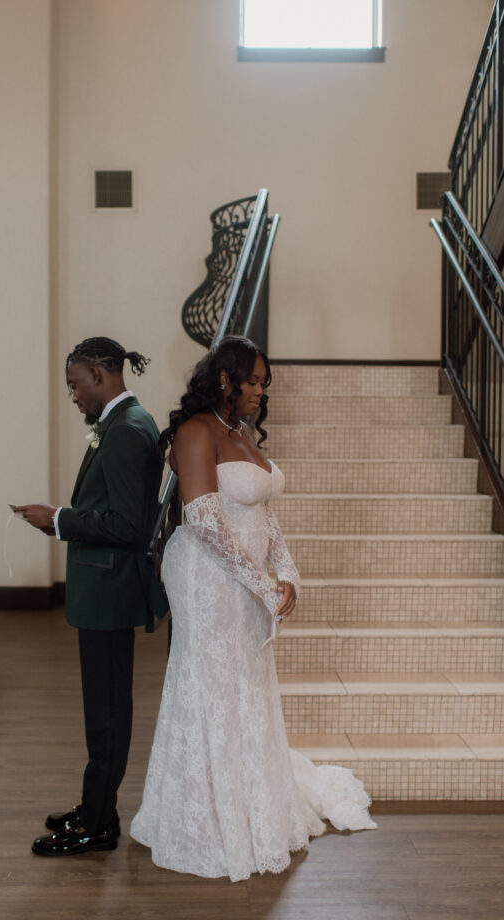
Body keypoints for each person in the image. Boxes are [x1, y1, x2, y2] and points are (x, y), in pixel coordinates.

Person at [130, 335, 376, 881]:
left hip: (246, 576)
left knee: (248, 686)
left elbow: (265, 516)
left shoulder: (240, 434)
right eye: (255, 380)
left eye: (264, 382)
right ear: (225, 379)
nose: (261, 392)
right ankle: (208, 819)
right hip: (207, 578)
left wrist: (287, 573)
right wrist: (264, 586)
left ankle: (250, 804)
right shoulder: (195, 433)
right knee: (214, 688)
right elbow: (206, 523)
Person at [13, 336, 169, 858]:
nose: (74, 396)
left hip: (110, 589)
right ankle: (96, 807)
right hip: (103, 587)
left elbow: (127, 523)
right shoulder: (124, 424)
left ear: (100, 375)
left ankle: (97, 825)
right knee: (103, 709)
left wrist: (58, 519)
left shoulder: (126, 430)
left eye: (75, 385)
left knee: (106, 713)